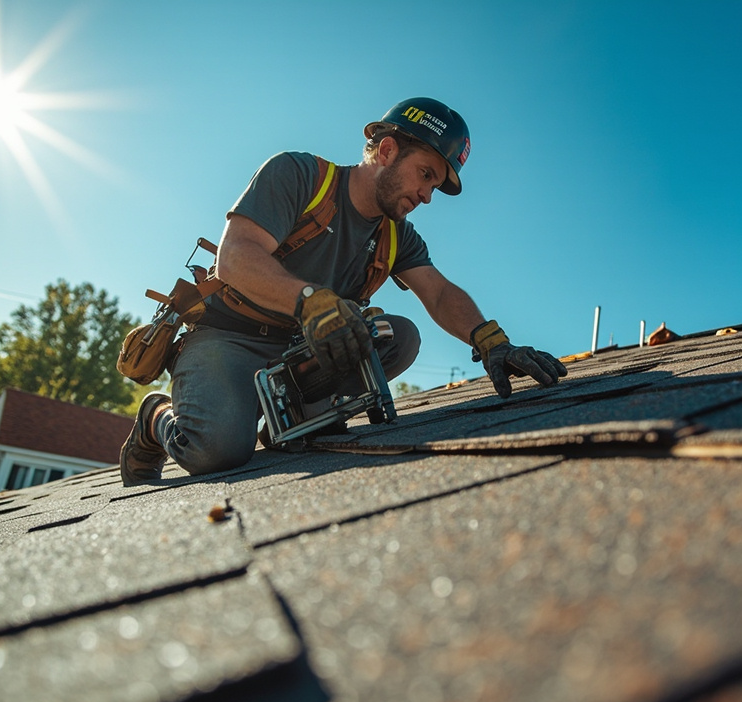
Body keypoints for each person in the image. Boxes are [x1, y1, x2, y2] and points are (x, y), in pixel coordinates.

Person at [120, 97, 567, 484]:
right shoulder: (299, 176)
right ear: (387, 151)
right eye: (425, 174)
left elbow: (438, 292)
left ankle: (293, 423)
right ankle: (155, 417)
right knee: (213, 451)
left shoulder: (397, 237)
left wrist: (489, 339)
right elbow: (236, 257)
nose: (427, 196)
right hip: (227, 337)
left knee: (400, 337)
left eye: (434, 184)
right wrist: (309, 299)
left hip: (302, 351)